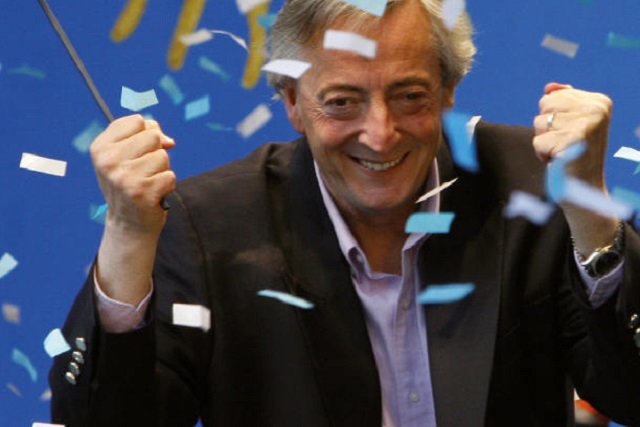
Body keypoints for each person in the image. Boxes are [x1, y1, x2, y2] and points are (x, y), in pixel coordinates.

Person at [49, 0, 640, 425]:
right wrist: (128, 234)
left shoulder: (534, 187)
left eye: (409, 96)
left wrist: (590, 209)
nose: (379, 134)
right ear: (292, 103)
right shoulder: (210, 226)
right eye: (342, 102)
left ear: (449, 89)